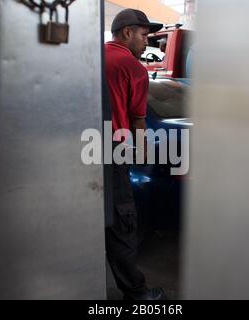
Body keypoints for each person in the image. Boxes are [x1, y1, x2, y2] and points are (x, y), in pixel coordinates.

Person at [105, 8, 166, 300]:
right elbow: (138, 120)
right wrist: (143, 154)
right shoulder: (133, 68)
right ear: (127, 33)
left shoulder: (93, 57)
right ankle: (135, 291)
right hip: (111, 149)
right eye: (144, 36)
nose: (147, 43)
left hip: (75, 146)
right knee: (122, 219)